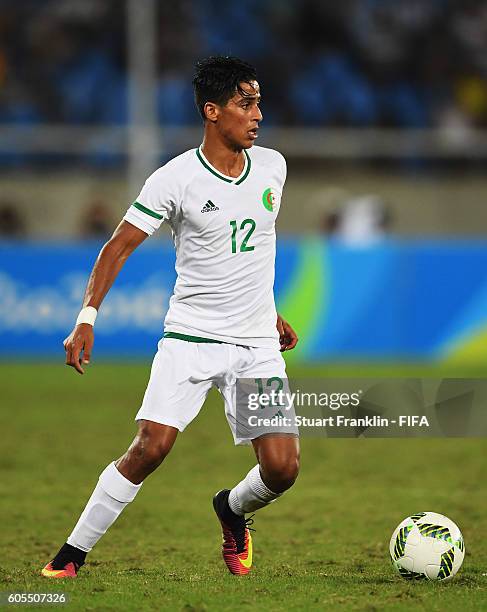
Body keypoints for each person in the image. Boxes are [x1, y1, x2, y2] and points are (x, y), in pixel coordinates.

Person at [41, 56, 300, 579]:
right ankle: (71, 554)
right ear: (212, 111)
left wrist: (268, 313)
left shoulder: (273, 166)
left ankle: (232, 509)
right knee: (150, 447)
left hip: (254, 344)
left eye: (259, 102)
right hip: (191, 336)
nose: (257, 114)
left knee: (282, 469)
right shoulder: (174, 178)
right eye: (244, 103)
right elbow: (117, 247)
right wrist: (87, 316)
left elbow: (253, 250)